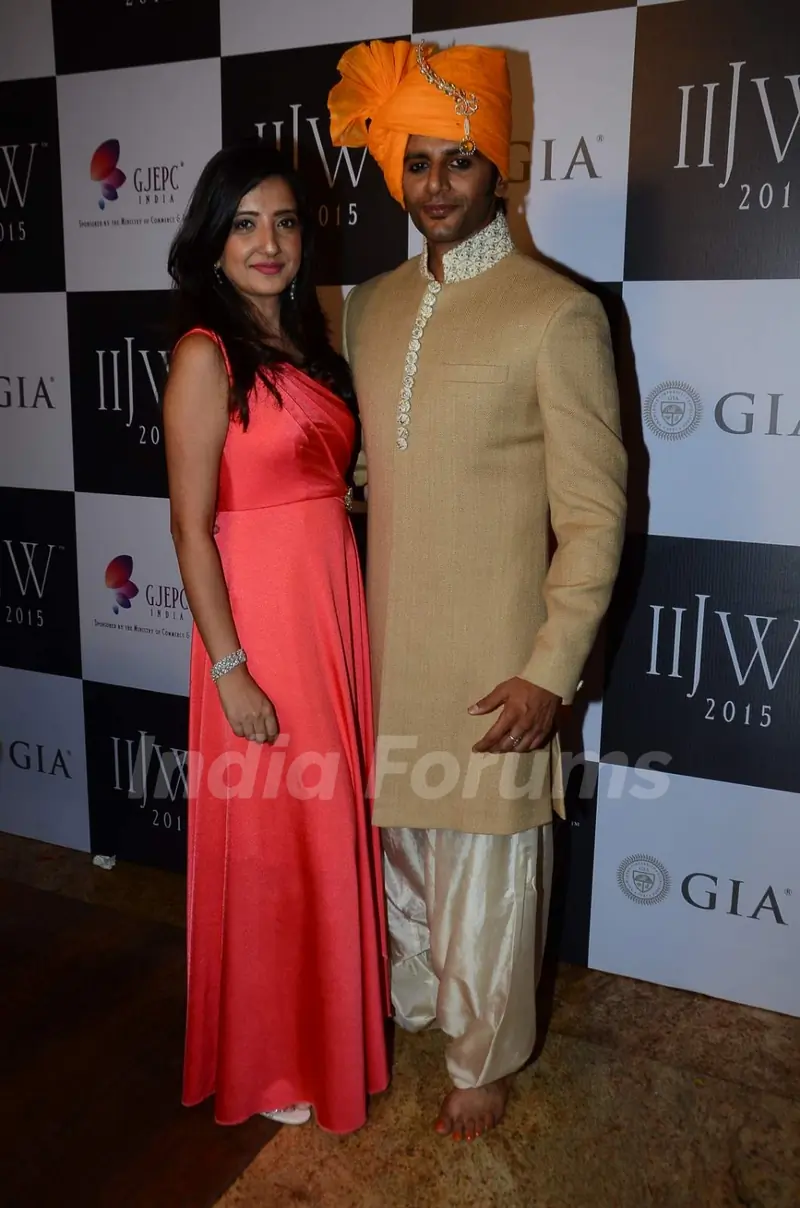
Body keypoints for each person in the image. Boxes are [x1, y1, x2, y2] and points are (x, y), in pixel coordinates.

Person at [328, 41, 627, 1142]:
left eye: (459, 160)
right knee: (402, 840)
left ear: (501, 166)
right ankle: (415, 997)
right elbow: (366, 469)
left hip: (497, 658)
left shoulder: (555, 312)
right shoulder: (366, 306)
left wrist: (552, 668)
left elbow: (593, 514)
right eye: (417, 162)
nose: (436, 185)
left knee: (491, 863)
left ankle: (484, 1051)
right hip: (385, 642)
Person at [163, 143, 390, 1133]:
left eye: (285, 222)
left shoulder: (309, 340)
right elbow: (189, 526)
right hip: (256, 628)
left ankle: (328, 1028)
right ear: (214, 240)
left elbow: (317, 481)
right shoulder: (203, 355)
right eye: (247, 222)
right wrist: (230, 669)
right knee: (269, 840)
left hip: (328, 611)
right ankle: (271, 1057)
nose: (269, 242)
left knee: (322, 828)